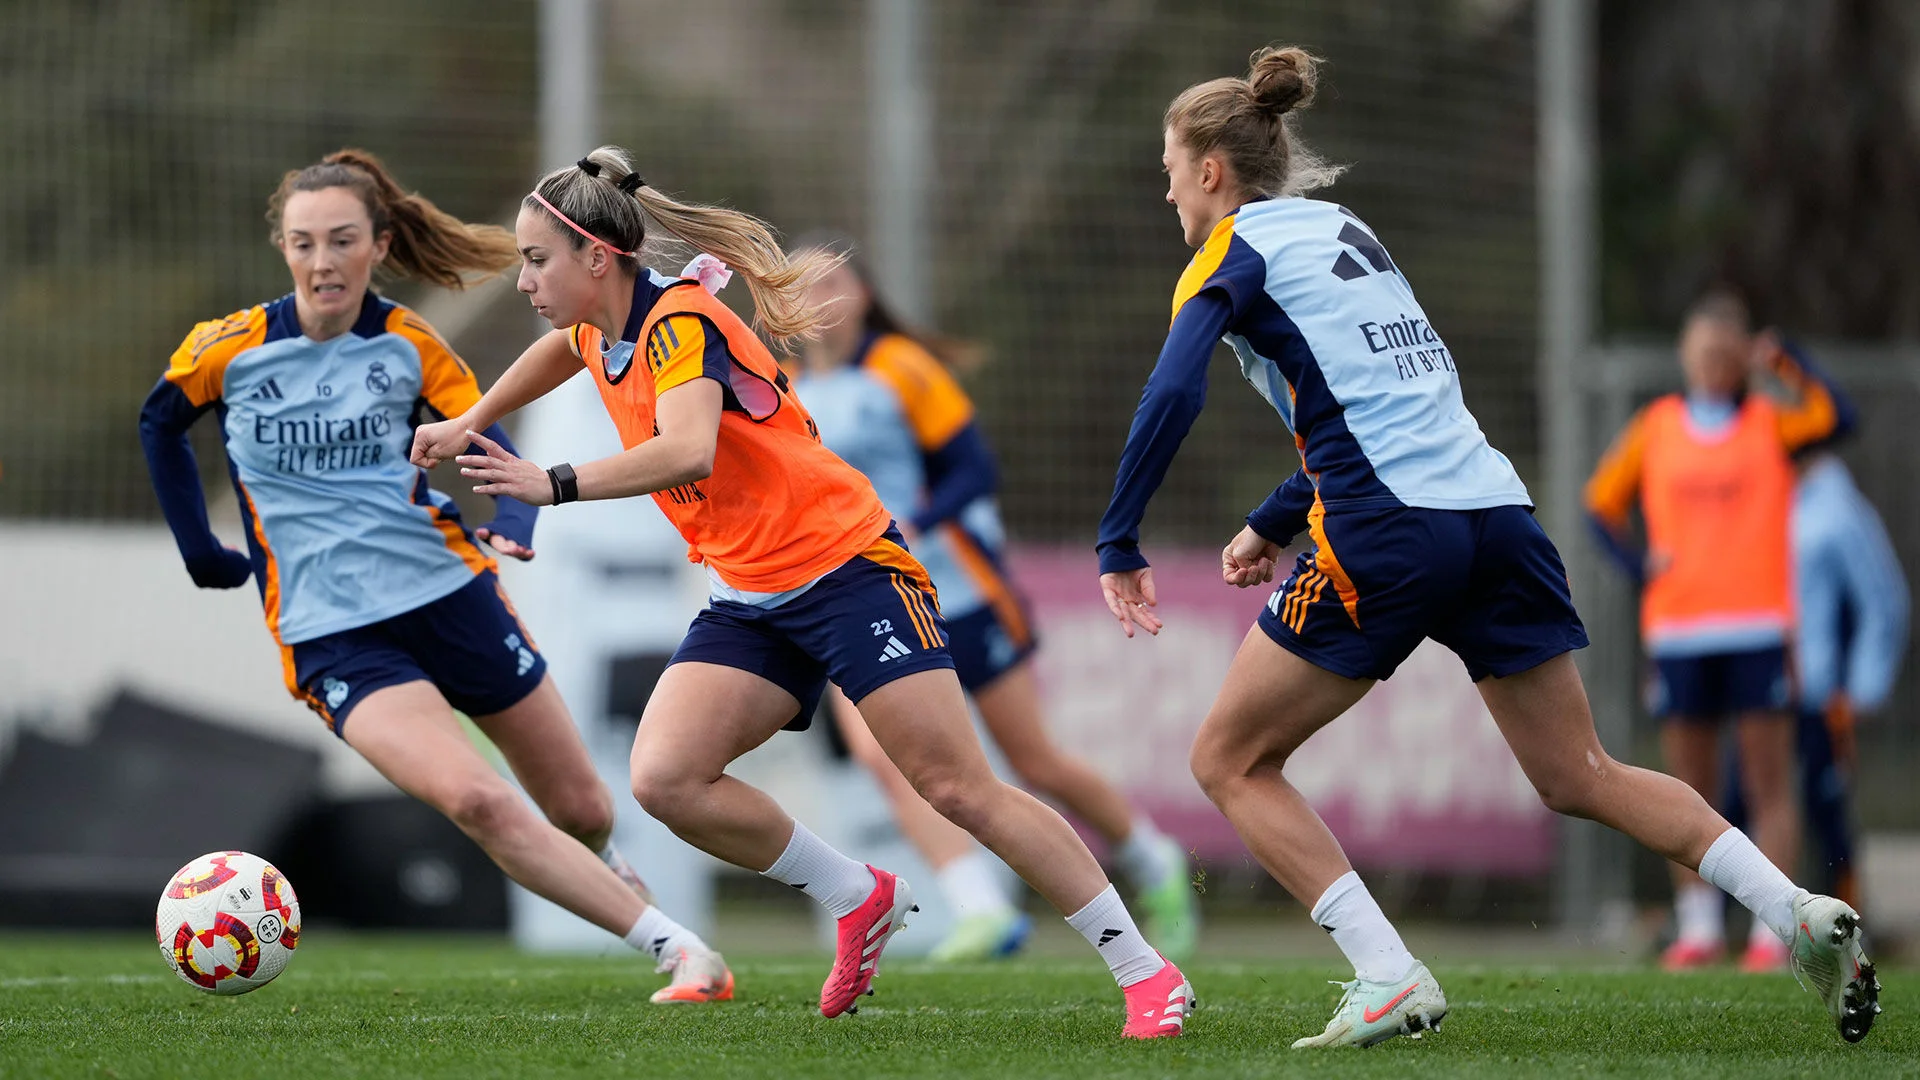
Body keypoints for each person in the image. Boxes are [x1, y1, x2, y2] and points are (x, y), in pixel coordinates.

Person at [1094, 46, 1878, 1047]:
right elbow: (1390, 403)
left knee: (1229, 759)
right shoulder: (1346, 230)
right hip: (1496, 515)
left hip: (1387, 530)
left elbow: (1173, 392)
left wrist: (1120, 538)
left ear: (1211, 168)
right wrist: (1276, 516)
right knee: (1580, 773)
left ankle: (1386, 974)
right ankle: (1797, 910)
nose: (1163, 189)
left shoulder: (1227, 252)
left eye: (1167, 165)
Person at [409, 147, 1193, 1037]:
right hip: (753, 592)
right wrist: (471, 418)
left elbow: (686, 449)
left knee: (957, 786)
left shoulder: (678, 323)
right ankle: (858, 895)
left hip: (846, 567)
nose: (522, 280)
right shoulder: (600, 322)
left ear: (597, 259)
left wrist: (551, 481)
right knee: (666, 777)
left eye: (535, 258)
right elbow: (562, 348)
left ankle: (1147, 971)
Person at [137, 150, 732, 1004]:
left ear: (379, 245)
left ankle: (600, 861)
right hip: (331, 632)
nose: (322, 261)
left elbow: (487, 436)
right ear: (283, 248)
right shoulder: (226, 350)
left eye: (342, 240)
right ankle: (682, 952)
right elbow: (159, 424)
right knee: (478, 800)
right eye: (303, 243)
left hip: (451, 594)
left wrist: (516, 523)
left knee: (581, 807)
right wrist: (200, 547)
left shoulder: (409, 346)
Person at [786, 237, 1199, 963]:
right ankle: (979, 907)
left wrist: (914, 519)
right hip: (869, 601)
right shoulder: (785, 389)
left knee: (1032, 761)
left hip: (961, 594)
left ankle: (1152, 861)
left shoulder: (899, 368)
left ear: (863, 295)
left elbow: (975, 468)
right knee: (880, 757)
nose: (820, 300)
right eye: (804, 288)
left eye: (835, 284)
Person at [1586, 301, 1853, 972]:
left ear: (1740, 360)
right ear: (1684, 357)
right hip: (1679, 631)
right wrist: (1639, 569)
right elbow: (1601, 506)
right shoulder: (1658, 426)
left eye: (1724, 355)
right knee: (1690, 783)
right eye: (1701, 353)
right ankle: (1698, 927)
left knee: (1768, 781)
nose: (1712, 366)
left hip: (1757, 627)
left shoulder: (1770, 423)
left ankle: (1773, 931)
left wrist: (1784, 358)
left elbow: (1836, 416)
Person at [1724, 449, 1908, 911]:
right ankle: (1720, 922)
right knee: (1736, 801)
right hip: (1762, 683)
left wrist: (1863, 688)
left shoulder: (1837, 509)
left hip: (1819, 693)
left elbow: (1882, 601)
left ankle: (1850, 916)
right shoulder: (1761, 492)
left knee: (1827, 812)